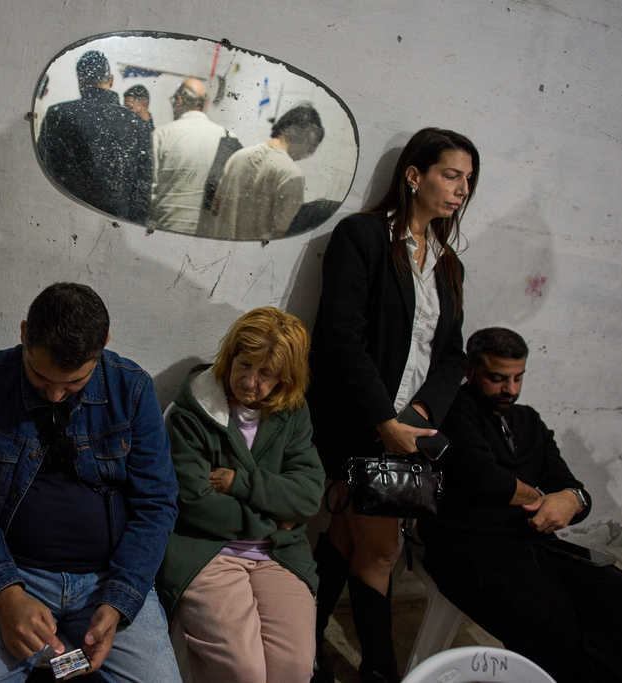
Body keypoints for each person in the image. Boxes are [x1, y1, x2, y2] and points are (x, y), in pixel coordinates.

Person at [0, 282, 181, 683]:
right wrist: (5, 593)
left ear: (102, 345)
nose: (53, 395)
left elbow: (157, 503)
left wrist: (120, 600)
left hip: (109, 576)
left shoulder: (131, 388)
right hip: (11, 570)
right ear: (22, 333)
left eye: (73, 383)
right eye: (39, 376)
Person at [307, 128, 480, 683]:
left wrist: (421, 414)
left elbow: (452, 356)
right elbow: (341, 338)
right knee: (379, 553)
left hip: (411, 428)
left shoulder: (449, 264)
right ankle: (379, 671)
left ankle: (302, 643)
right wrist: (384, 420)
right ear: (414, 175)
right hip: (362, 421)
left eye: (468, 180)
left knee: (345, 534)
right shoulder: (362, 237)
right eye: (451, 175)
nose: (461, 189)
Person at [419, 327, 622, 682]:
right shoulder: (453, 411)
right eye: (498, 378)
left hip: (535, 546)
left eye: (519, 377)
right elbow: (485, 480)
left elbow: (571, 487)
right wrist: (545, 499)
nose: (511, 389)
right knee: (558, 630)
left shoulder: (528, 421)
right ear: (471, 370)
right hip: (470, 550)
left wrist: (571, 499)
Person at [157, 307, 325, 683]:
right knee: (243, 671)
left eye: (265, 373)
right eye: (244, 365)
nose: (249, 381)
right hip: (209, 550)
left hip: (278, 553)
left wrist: (240, 484)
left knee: (294, 669)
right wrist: (271, 518)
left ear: (286, 377)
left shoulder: (293, 412)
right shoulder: (193, 412)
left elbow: (309, 494)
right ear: (229, 356)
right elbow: (196, 504)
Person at [36, 50, 153, 224]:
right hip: (116, 224)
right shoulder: (138, 125)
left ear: (80, 80)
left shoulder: (59, 115)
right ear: (111, 80)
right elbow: (142, 190)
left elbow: (43, 173)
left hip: (63, 219)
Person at [196, 103, 323, 241]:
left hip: (217, 248)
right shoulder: (292, 175)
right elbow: (281, 233)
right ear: (306, 141)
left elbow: (215, 207)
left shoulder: (238, 156)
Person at [150, 78, 237, 235]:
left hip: (166, 226)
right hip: (208, 231)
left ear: (179, 100)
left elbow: (151, 187)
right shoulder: (228, 138)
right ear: (205, 104)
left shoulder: (162, 135)